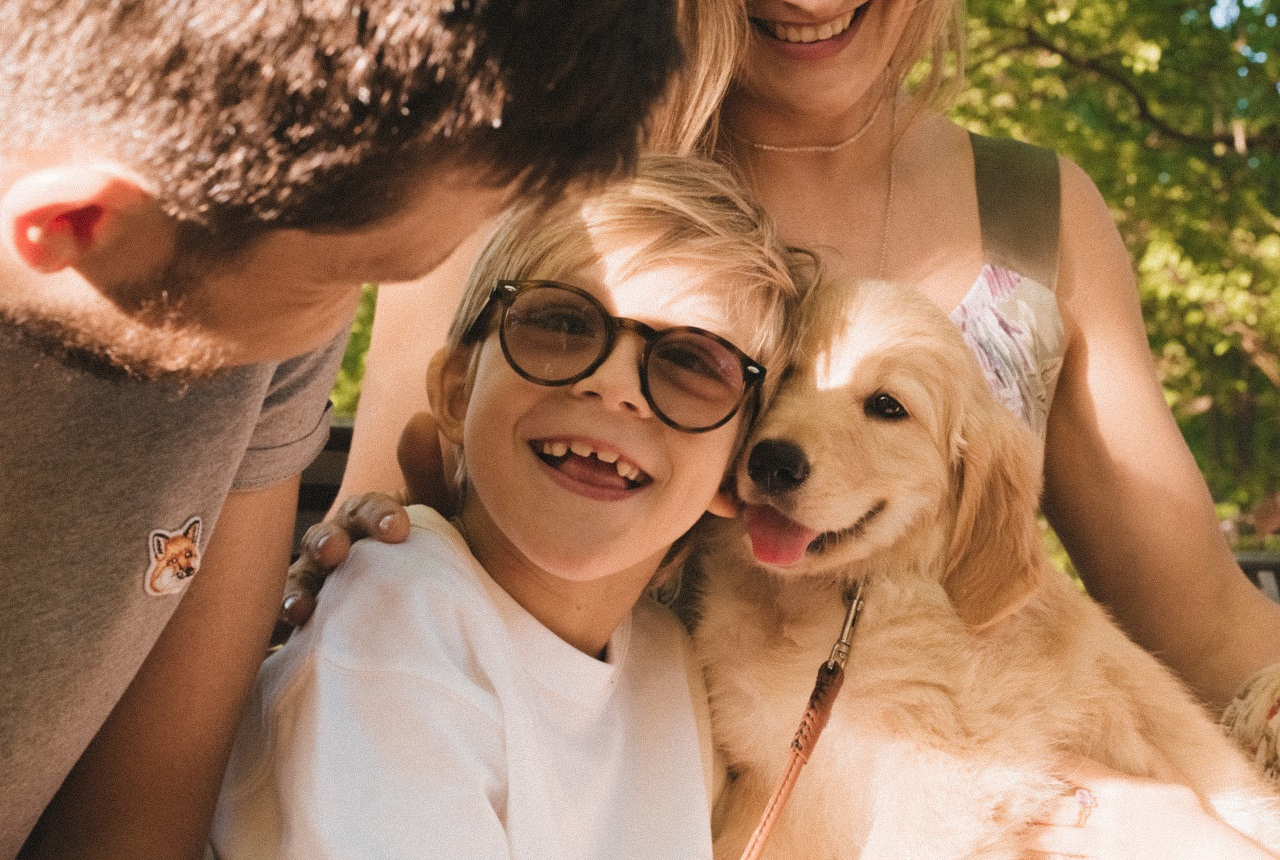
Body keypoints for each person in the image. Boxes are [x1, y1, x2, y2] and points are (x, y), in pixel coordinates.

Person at [300, 0, 1280, 758]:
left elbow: (1206, 626)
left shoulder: (1038, 215)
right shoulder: (513, 169)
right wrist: (347, 559)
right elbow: (381, 531)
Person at [0, 2, 684, 857]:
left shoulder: (256, 321)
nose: (347, 319)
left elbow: (138, 822)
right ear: (77, 225)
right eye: (358, 274)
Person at [210, 154, 801, 858]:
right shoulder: (398, 624)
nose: (614, 386)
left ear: (737, 473)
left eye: (692, 363)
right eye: (561, 322)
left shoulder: (668, 669)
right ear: (457, 391)